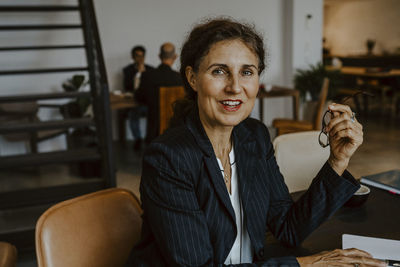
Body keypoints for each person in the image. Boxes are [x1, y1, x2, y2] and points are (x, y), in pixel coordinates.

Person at [132, 18, 385, 266]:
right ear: (193, 78)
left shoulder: (254, 136)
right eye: (219, 71)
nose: (235, 87)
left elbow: (289, 228)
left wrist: (337, 160)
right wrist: (306, 264)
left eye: (246, 72)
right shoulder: (168, 157)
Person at [135, 42, 183, 143]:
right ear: (175, 57)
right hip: (176, 133)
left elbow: (139, 98)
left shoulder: (147, 76)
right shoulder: (180, 79)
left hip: (154, 133)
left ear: (159, 56)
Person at [123, 45, 154, 150]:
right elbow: (127, 87)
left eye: (142, 56)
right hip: (135, 103)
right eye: (137, 56)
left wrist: (143, 73)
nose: (140, 59)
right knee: (133, 113)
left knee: (155, 113)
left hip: (148, 103)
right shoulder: (127, 70)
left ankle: (151, 139)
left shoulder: (151, 70)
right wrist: (139, 74)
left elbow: (151, 88)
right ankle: (138, 139)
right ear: (133, 57)